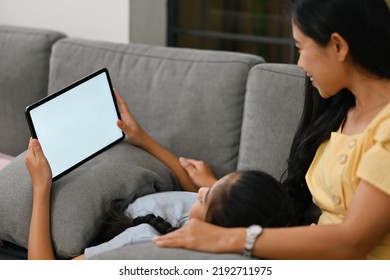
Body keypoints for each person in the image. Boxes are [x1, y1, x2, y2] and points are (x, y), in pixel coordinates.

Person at [153, 0, 390, 260]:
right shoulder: (341, 112)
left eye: (301, 47)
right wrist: (221, 193)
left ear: (338, 46)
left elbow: (352, 242)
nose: (299, 63)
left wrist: (227, 238)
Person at [25, 96, 292, 259]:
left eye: (207, 196)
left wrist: (41, 187)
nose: (199, 190)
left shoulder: (142, 240)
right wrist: (142, 138)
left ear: (217, 228)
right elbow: (191, 200)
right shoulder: (222, 222)